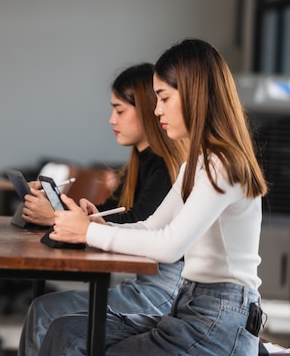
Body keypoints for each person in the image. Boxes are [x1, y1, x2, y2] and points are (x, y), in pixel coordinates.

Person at [38, 38, 267, 355]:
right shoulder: (196, 164)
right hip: (190, 306)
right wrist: (92, 227)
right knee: (67, 330)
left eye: (164, 98)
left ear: (193, 95)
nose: (157, 110)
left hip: (221, 317)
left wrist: (88, 231)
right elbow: (150, 227)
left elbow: (169, 246)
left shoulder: (222, 164)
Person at [18, 63, 187, 355]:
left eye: (120, 110)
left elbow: (142, 223)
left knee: (45, 311)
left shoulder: (165, 165)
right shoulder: (140, 162)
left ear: (147, 109)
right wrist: (82, 213)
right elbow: (117, 211)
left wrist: (59, 218)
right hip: (148, 284)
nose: (112, 119)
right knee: (42, 308)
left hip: (163, 291)